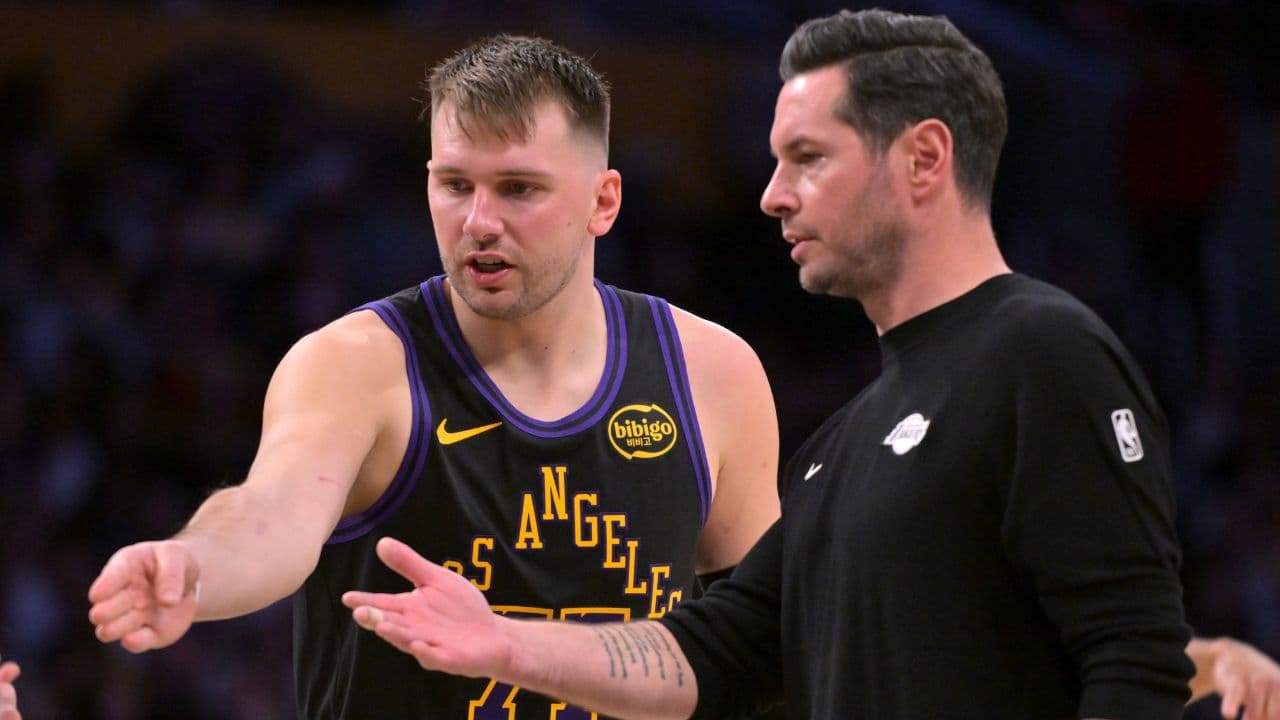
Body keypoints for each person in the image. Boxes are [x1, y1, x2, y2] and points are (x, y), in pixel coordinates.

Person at [338, 9, 1267, 720]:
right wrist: (503, 645)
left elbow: (1132, 658)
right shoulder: (845, 440)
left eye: (808, 158)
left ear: (924, 159)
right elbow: (717, 652)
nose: (774, 194)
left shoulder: (1040, 352)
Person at [87, 34, 780, 718]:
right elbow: (269, 514)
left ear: (603, 202)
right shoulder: (356, 365)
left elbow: (759, 640)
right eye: (455, 185)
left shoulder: (711, 372)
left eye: (518, 188)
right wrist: (194, 566)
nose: (479, 221)